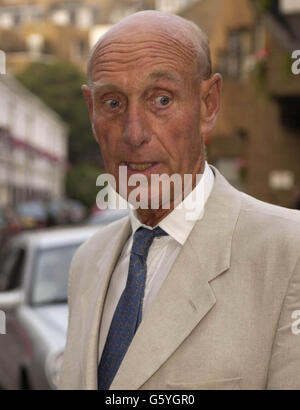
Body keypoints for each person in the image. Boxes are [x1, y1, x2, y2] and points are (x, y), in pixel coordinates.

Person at [59, 11, 300, 390]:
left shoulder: (289, 252)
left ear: (208, 103)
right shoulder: (88, 261)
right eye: (112, 104)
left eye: (161, 99)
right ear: (91, 111)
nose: (134, 134)